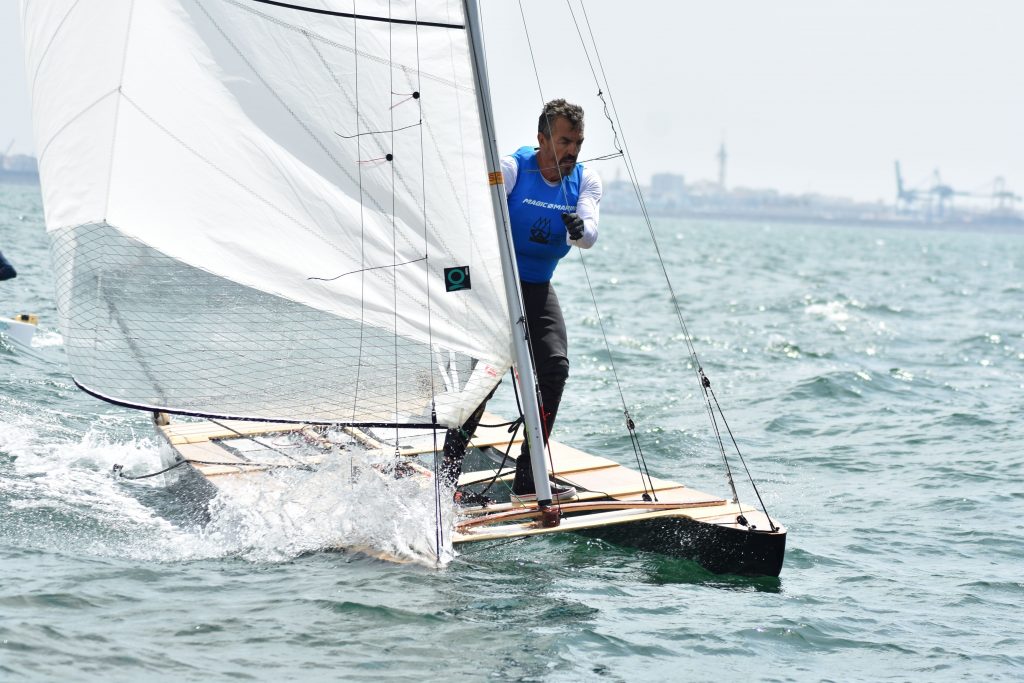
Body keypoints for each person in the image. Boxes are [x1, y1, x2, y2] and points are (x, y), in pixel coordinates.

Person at [443, 99, 602, 505]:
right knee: (485, 378)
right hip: (496, 288)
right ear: (542, 138)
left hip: (536, 286)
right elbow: (471, 210)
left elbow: (587, 236)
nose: (573, 151)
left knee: (555, 370)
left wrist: (578, 228)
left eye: (578, 142)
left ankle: (528, 479)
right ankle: (445, 477)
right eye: (565, 141)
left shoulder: (585, 180)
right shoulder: (512, 169)